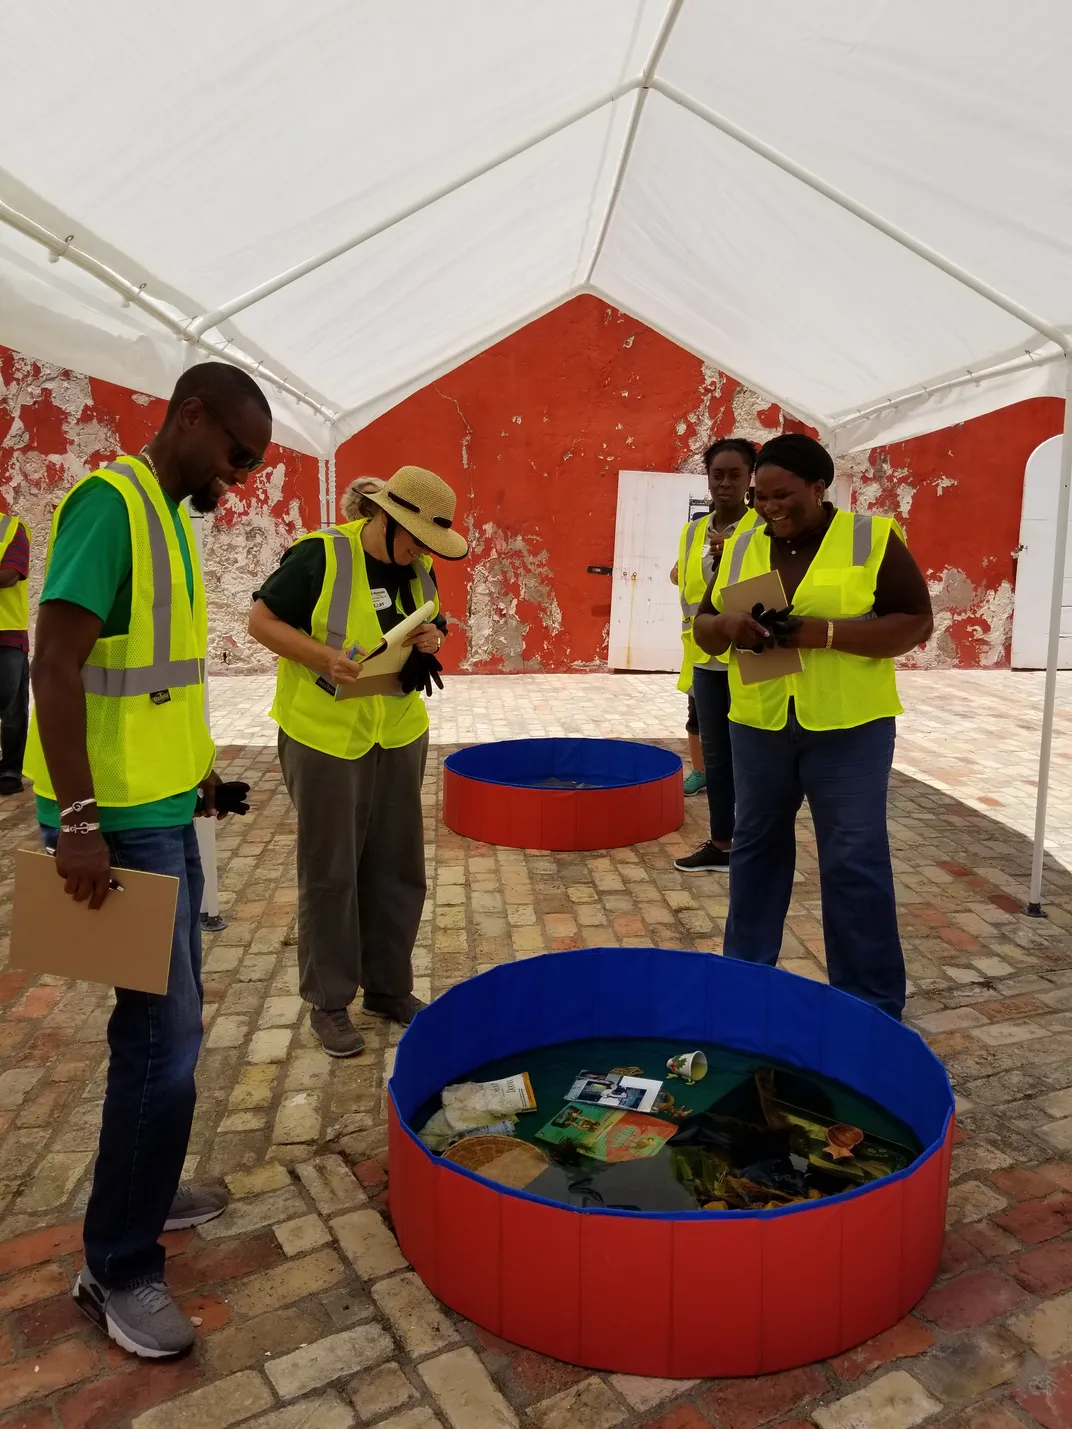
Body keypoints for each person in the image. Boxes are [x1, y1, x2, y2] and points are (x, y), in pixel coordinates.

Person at [24, 361, 272, 1358]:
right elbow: (55, 664)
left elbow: (156, 679)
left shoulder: (171, 511)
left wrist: (202, 776)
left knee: (170, 1025)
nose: (241, 476)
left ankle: (147, 1181)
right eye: (235, 453)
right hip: (115, 824)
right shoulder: (109, 503)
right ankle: (116, 1265)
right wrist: (77, 820)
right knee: (159, 1040)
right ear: (190, 415)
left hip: (163, 808)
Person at [694, 432, 934, 1020]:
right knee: (755, 851)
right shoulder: (745, 543)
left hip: (849, 728)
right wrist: (729, 625)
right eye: (760, 497)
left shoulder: (870, 537)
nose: (770, 507)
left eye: (783, 495)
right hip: (761, 723)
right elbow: (702, 627)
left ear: (819, 487)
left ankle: (869, 1004)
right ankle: (746, 984)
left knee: (853, 858)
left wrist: (820, 633)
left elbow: (915, 624)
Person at [249, 465, 467, 1056]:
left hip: (396, 732)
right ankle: (330, 1002)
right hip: (324, 736)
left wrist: (432, 640)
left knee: (397, 869)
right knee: (331, 873)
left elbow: (432, 622)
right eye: (419, 539)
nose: (425, 553)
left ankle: (389, 989)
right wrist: (321, 657)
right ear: (389, 519)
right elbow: (260, 620)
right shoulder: (320, 556)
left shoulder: (417, 567)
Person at [673, 439, 759, 873]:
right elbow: (684, 580)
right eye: (717, 475)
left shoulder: (762, 528)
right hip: (705, 659)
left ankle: (755, 844)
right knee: (717, 757)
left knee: (753, 755)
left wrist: (727, 564)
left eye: (735, 475)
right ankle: (722, 844)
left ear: (750, 479)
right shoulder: (693, 530)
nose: (724, 483)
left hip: (747, 659)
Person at [0, 506, 32, 795]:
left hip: (7, 634)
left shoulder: (11, 528)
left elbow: (10, 574)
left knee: (10, 706)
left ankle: (10, 770)